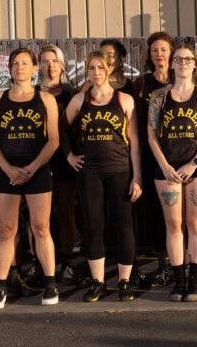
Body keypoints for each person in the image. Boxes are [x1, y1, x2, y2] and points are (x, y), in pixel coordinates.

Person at [63, 51, 143, 302]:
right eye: (91, 68)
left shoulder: (124, 99)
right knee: (94, 226)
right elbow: (60, 129)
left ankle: (124, 282)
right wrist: (69, 156)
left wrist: (137, 176)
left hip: (120, 170)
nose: (95, 72)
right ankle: (98, 283)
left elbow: (136, 143)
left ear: (109, 69)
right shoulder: (79, 100)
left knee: (123, 226)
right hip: (90, 173)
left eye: (100, 67)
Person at [0, 47, 61, 309]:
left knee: (41, 228)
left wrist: (31, 168)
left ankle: (50, 283)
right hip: (7, 172)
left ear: (34, 67)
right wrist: (7, 169)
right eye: (15, 63)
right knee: (7, 231)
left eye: (25, 63)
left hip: (37, 171)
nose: (20, 67)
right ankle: (1, 286)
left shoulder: (46, 99)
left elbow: (53, 140)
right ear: (10, 68)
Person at [148, 44, 197, 302]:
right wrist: (166, 166)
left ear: (195, 64)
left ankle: (195, 283)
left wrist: (194, 163)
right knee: (174, 225)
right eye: (178, 59)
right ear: (172, 64)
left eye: (189, 59)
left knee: (196, 224)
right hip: (167, 167)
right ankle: (179, 281)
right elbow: (151, 136)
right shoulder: (158, 97)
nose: (183, 63)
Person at [124, 31, 176, 287]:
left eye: (163, 50)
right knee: (156, 213)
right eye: (154, 50)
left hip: (178, 154)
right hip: (149, 154)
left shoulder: (184, 80)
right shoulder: (141, 84)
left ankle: (183, 264)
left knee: (179, 213)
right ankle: (163, 265)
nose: (159, 55)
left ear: (172, 52)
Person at [37, 45, 79, 285]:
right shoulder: (31, 93)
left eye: (54, 61)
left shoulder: (71, 94)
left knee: (65, 213)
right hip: (38, 162)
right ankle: (38, 263)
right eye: (44, 61)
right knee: (38, 218)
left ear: (62, 65)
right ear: (39, 65)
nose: (50, 65)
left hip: (64, 160)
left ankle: (67, 262)